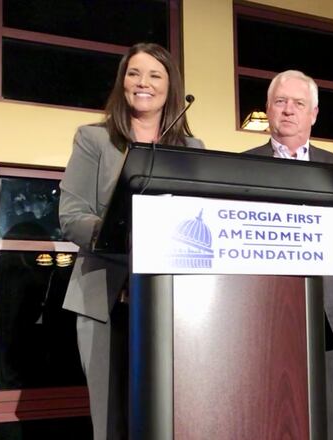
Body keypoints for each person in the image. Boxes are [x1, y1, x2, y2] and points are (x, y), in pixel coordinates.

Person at [59, 42, 203, 440]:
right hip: (105, 300)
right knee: (111, 423)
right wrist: (126, 235)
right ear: (123, 83)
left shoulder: (193, 149)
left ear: (171, 86)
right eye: (134, 73)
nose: (144, 83)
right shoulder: (93, 140)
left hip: (174, 305)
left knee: (173, 419)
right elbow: (71, 216)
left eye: (155, 75)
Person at [244, 70, 333, 440]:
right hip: (267, 317)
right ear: (268, 110)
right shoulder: (243, 168)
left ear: (314, 114)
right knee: (273, 423)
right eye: (280, 102)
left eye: (299, 103)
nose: (289, 110)